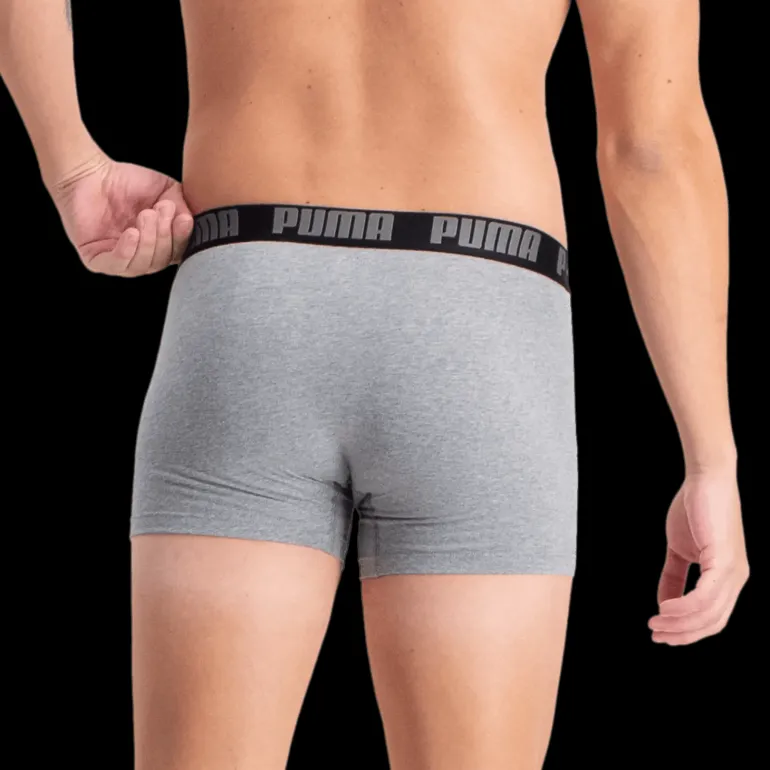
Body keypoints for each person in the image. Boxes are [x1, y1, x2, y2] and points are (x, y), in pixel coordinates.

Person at [0, 1, 750, 767]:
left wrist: (73, 168)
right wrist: (709, 460)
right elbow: (653, 148)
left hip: (249, 300)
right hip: (481, 318)